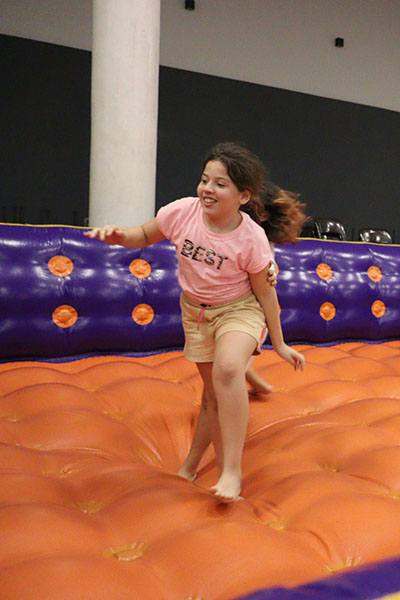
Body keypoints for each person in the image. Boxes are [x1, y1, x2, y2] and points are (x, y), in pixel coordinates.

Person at [85, 142, 305, 502]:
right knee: (213, 395)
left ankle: (231, 471)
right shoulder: (182, 212)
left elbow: (266, 295)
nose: (207, 189)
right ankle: (194, 462)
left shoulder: (251, 238)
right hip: (196, 312)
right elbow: (145, 234)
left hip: (239, 309)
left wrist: (279, 343)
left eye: (220, 184)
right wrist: (120, 237)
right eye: (205, 180)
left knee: (228, 368)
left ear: (243, 196)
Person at [244, 181, 307, 395]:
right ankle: (250, 376)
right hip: (228, 314)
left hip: (251, 319)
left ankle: (247, 379)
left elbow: (267, 294)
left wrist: (279, 344)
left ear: (262, 215)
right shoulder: (241, 235)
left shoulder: (260, 247)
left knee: (226, 375)